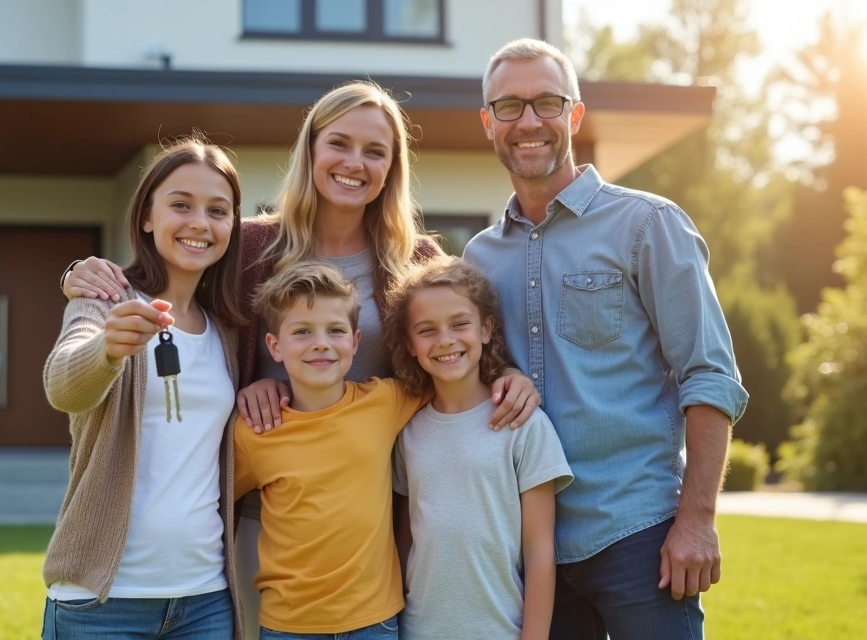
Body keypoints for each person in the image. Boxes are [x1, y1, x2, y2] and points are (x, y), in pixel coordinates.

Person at [58, 81, 544, 639]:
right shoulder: (246, 246)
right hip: (262, 517)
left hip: (368, 524)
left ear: (392, 167)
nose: (354, 163)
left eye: (375, 151)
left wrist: (502, 373)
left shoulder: (416, 259)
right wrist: (79, 273)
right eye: (338, 143)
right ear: (310, 149)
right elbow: (164, 271)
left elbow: (450, 339)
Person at [461, 38, 750, 639]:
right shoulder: (479, 257)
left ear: (575, 114)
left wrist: (696, 521)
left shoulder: (648, 225)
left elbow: (710, 374)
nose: (529, 121)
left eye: (546, 102)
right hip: (529, 543)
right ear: (489, 124)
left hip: (637, 536)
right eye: (509, 107)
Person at [40, 137, 246, 639]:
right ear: (147, 217)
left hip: (206, 600)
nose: (200, 222)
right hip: (102, 601)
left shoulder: (229, 328)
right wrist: (107, 350)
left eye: (217, 210)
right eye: (180, 204)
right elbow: (63, 387)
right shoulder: (105, 300)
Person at [232, 261, 426, 639]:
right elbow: (215, 502)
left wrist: (508, 377)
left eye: (335, 331)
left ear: (355, 342)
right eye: (302, 331)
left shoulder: (385, 401)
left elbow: (454, 382)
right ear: (275, 346)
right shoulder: (255, 430)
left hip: (374, 620)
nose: (321, 342)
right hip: (288, 625)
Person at [383, 256, 572, 639]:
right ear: (409, 343)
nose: (446, 340)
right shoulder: (407, 432)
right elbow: (406, 540)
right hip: (418, 630)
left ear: (486, 328)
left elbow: (539, 553)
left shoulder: (524, 425)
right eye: (427, 330)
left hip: (499, 629)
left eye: (460, 324)